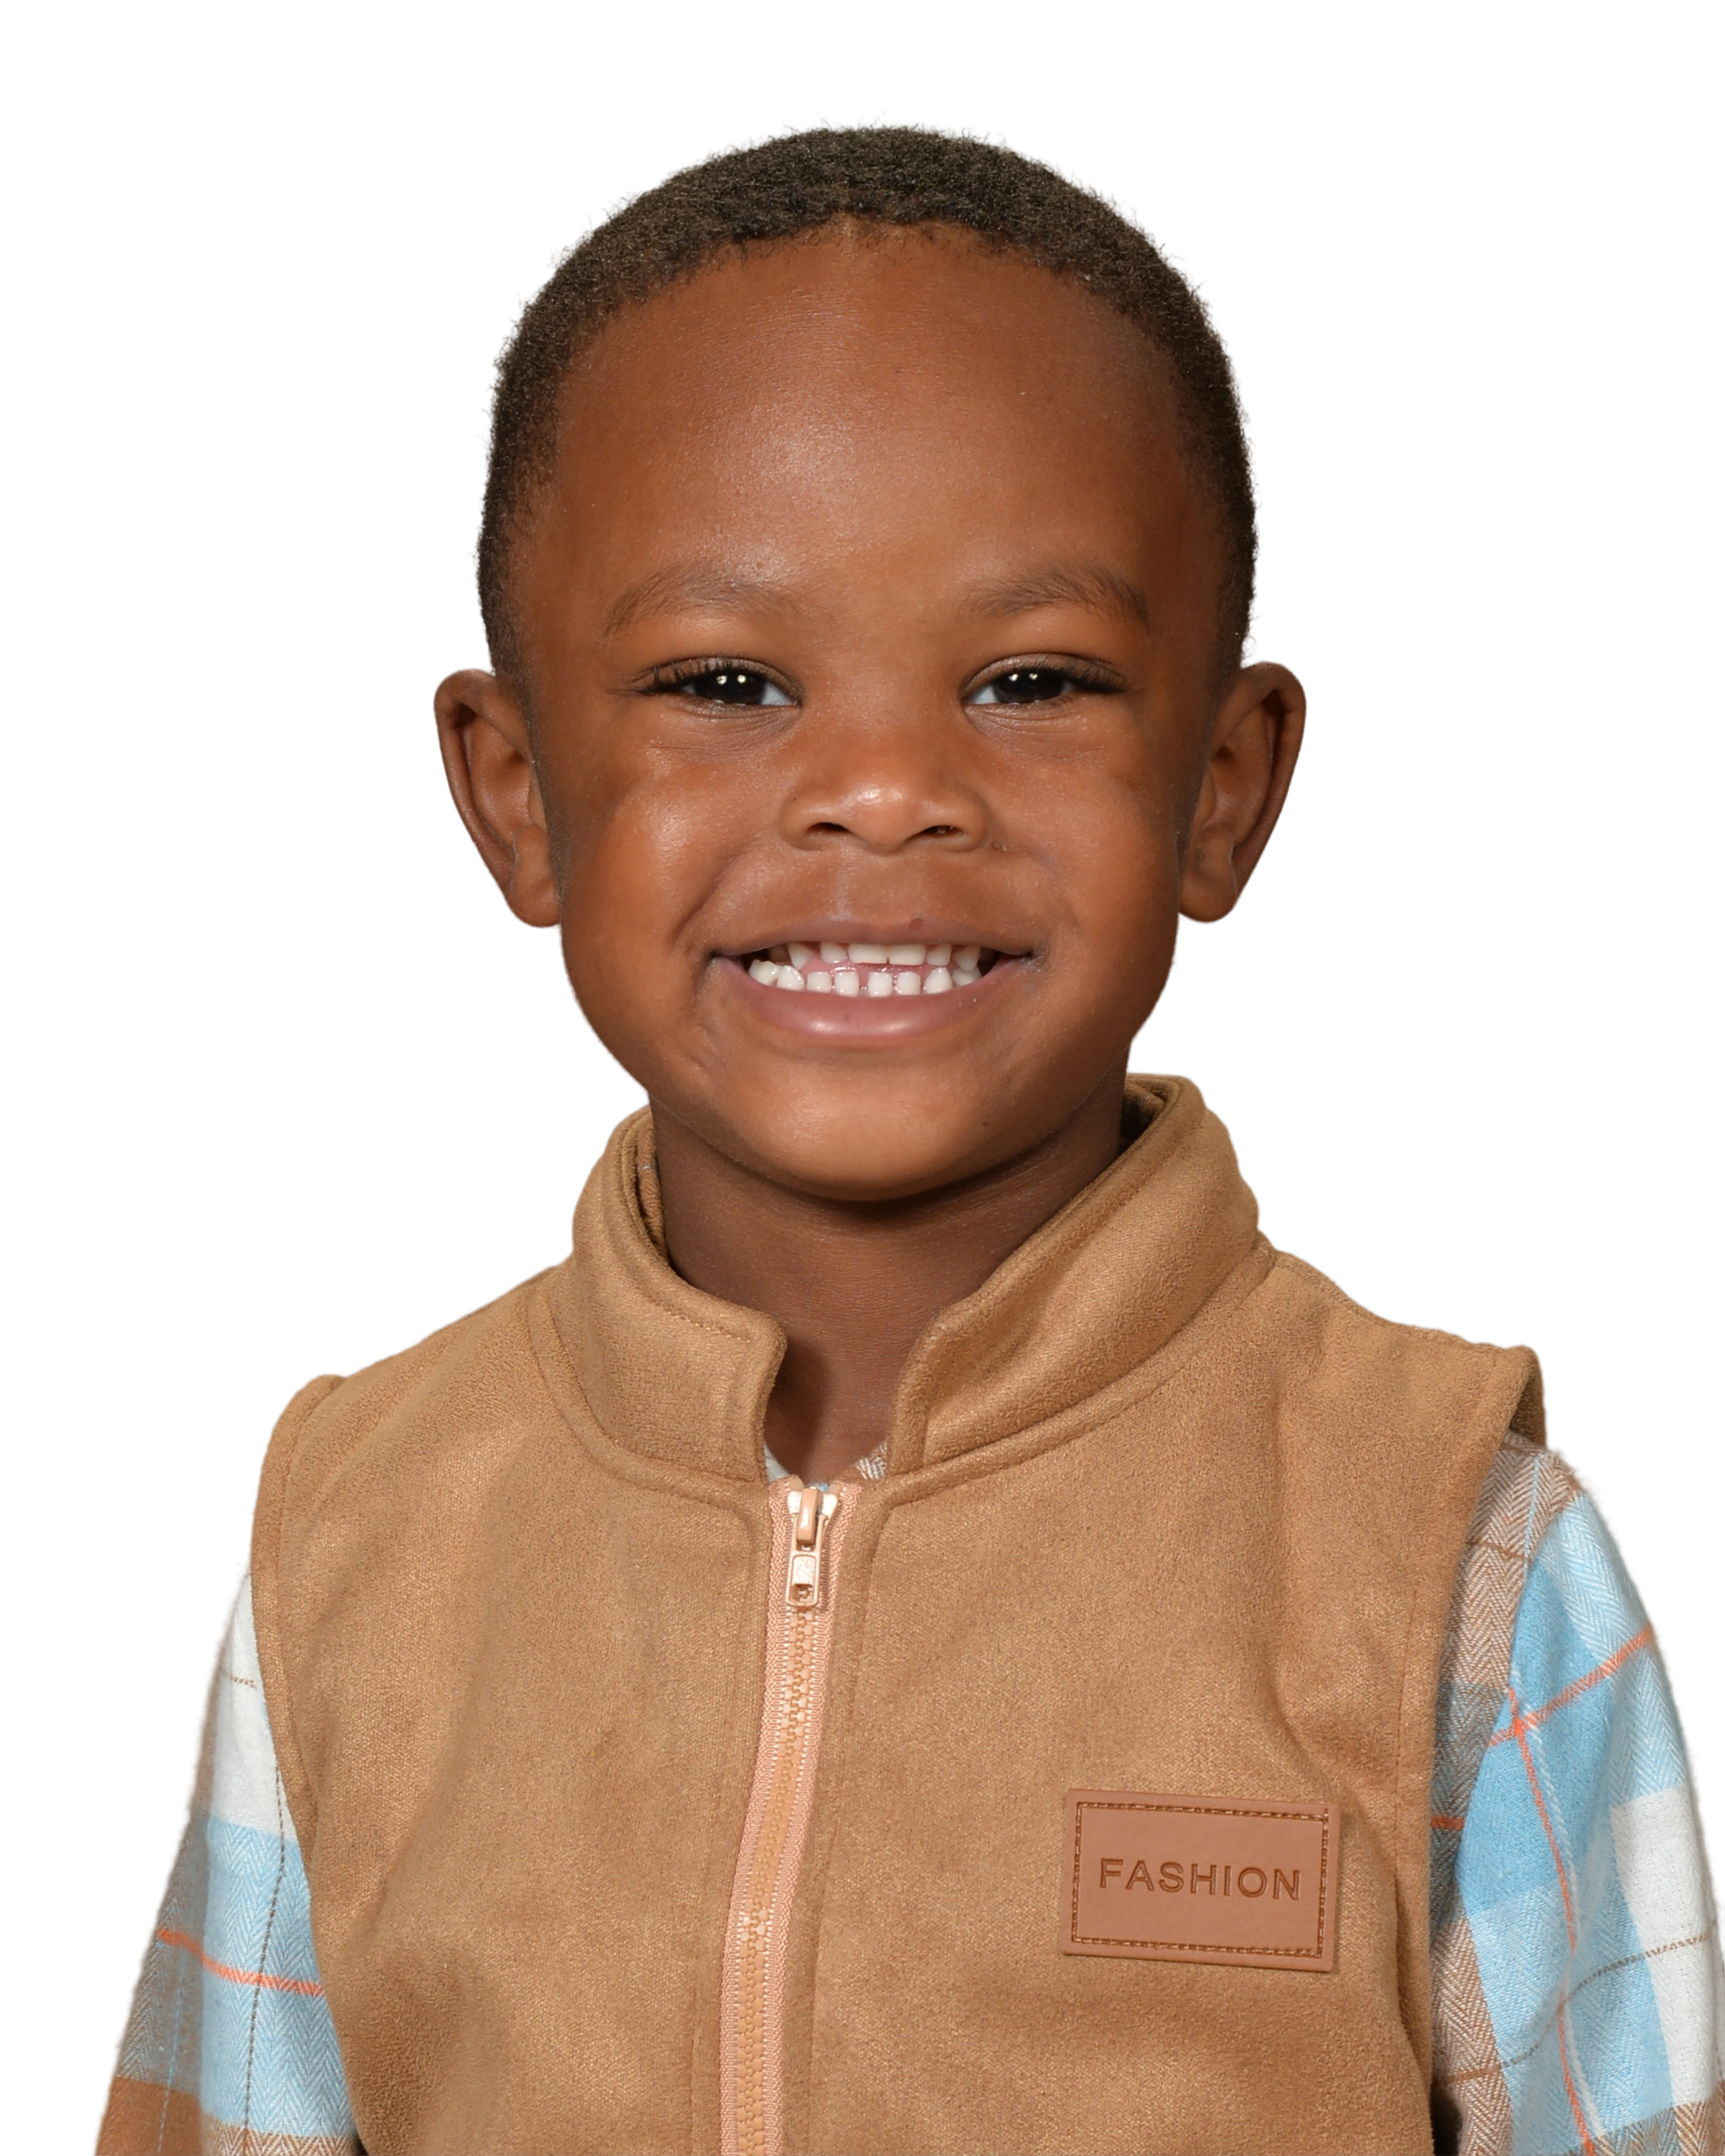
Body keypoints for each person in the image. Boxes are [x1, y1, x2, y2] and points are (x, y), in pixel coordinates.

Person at [93, 109, 1724, 2156]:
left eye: (1032, 679)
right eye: (725, 680)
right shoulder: (358, 1541)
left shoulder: (1452, 1562)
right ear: (513, 793)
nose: (881, 788)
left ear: (1228, 786)